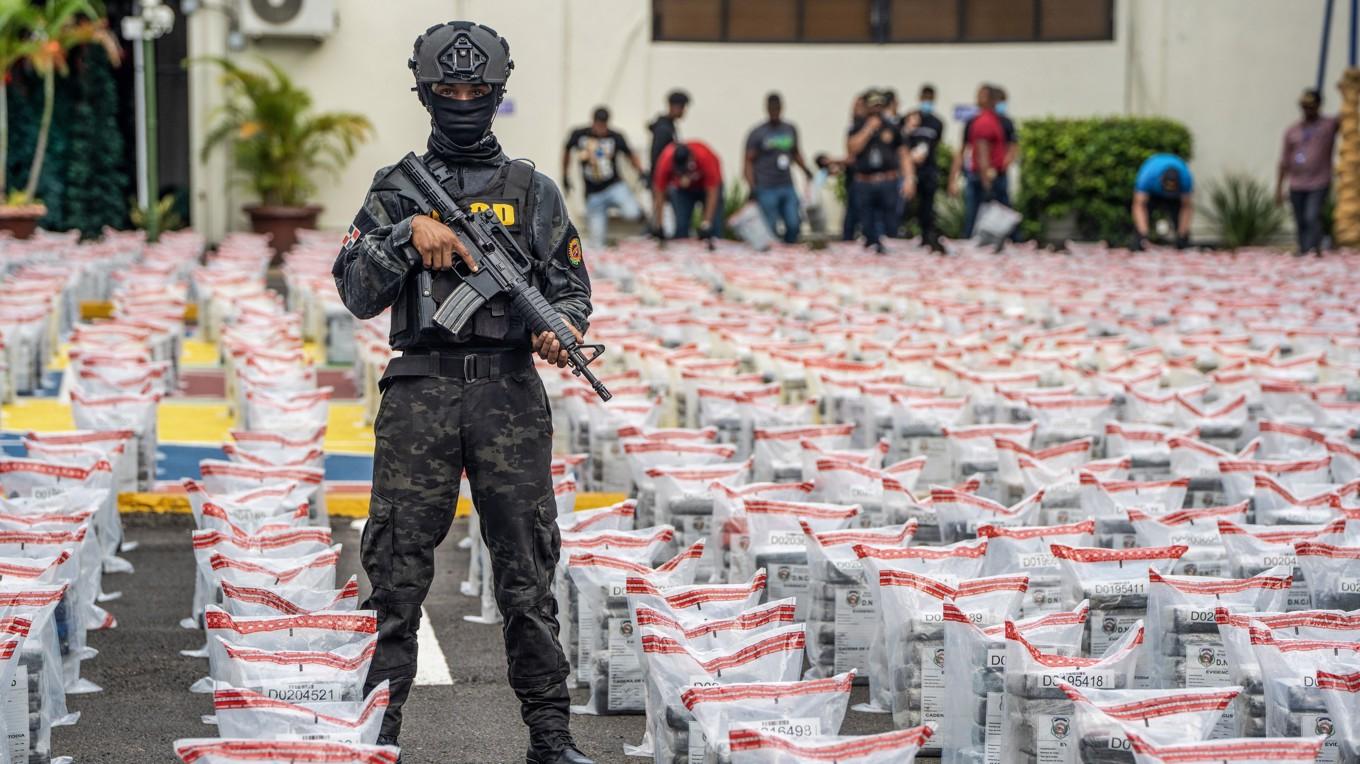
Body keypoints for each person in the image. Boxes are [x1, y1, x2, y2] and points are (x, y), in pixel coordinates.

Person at [331, 21, 594, 764]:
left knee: (527, 574)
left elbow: (571, 292)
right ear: (425, 92)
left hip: (509, 397)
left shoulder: (533, 192)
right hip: (420, 397)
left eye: (477, 90)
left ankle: (550, 737)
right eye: (448, 89)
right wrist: (406, 234)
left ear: (497, 94)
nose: (463, 100)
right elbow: (355, 290)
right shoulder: (394, 189)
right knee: (397, 578)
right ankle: (377, 739)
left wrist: (557, 329)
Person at [562, 107, 646, 249]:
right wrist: (565, 175)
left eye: (603, 125)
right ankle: (608, 239)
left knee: (632, 213)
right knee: (596, 243)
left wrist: (641, 172)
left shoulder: (615, 136)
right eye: (598, 124)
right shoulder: (579, 134)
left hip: (614, 186)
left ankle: (639, 212)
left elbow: (630, 154)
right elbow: (566, 150)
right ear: (593, 121)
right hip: (593, 194)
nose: (601, 128)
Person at [846, 89, 915, 253]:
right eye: (873, 105)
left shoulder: (893, 127)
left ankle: (887, 252)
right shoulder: (857, 126)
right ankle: (872, 246)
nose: (876, 109)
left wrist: (909, 179)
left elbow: (904, 154)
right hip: (865, 182)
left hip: (887, 181)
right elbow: (851, 149)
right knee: (867, 224)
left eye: (879, 105)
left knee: (890, 224)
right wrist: (868, 130)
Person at [1276, 88, 1338, 256]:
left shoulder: (1329, 125)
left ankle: (1315, 249)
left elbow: (1349, 115)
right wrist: (1279, 188)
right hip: (1296, 182)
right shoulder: (1292, 130)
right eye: (1304, 106)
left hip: (1319, 181)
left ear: (1319, 106)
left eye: (1311, 106)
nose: (1307, 110)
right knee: (1300, 219)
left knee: (1312, 216)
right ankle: (1304, 251)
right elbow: (1283, 162)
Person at [744, 92, 812, 244]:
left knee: (794, 223)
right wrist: (752, 185)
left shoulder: (790, 129)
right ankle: (774, 260)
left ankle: (789, 250)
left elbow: (795, 152)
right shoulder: (757, 133)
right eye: (771, 108)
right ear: (767, 109)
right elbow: (748, 162)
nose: (775, 111)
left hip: (786, 184)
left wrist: (806, 170)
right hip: (766, 186)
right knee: (771, 227)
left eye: (777, 108)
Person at [950, 84, 1008, 238]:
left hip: (985, 175)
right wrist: (986, 181)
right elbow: (982, 153)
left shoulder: (996, 121)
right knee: (983, 221)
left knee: (977, 218)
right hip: (986, 176)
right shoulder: (985, 122)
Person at [652, 140, 724, 240]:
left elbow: (712, 192)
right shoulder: (666, 160)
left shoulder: (705, 157)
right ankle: (680, 253)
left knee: (713, 228)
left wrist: (706, 223)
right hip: (683, 191)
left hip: (706, 187)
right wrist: (659, 224)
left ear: (691, 158)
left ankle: (713, 249)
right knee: (681, 226)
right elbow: (659, 192)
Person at [904, 84, 945, 252]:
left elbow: (936, 145)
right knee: (906, 204)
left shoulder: (937, 122)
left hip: (928, 169)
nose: (927, 102)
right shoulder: (911, 118)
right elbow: (900, 140)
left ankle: (926, 235)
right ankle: (902, 231)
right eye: (925, 99)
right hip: (910, 169)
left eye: (930, 99)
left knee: (927, 205)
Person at [1131, 152, 1194, 250]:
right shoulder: (1148, 176)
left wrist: (1182, 234)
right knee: (1144, 216)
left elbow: (1186, 206)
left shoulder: (1185, 178)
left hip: (1175, 196)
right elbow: (1138, 204)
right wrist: (1143, 233)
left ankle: (1182, 241)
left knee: (1179, 218)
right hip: (1152, 193)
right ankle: (1139, 240)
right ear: (1160, 179)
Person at [648, 89, 689, 171]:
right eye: (682, 107)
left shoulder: (670, 126)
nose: (684, 111)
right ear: (673, 107)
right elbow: (657, 157)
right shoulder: (663, 128)